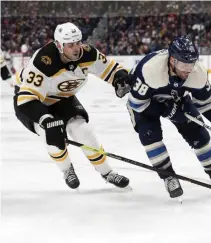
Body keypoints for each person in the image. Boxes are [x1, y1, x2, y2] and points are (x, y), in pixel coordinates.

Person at [14, 22, 133, 189]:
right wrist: (46, 120)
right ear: (59, 45)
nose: (76, 48)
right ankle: (67, 169)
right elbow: (27, 100)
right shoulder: (44, 61)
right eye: (70, 45)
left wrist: (119, 78)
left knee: (84, 131)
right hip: (33, 101)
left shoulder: (87, 53)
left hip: (62, 98)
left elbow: (110, 69)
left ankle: (107, 173)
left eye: (78, 43)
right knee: (51, 136)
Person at [126, 36, 211, 198]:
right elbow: (137, 104)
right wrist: (167, 110)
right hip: (146, 103)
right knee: (150, 135)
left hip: (176, 97)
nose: (188, 69)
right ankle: (168, 177)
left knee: (199, 133)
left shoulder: (197, 73)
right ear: (172, 60)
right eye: (184, 64)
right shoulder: (150, 70)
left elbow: (207, 102)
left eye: (191, 63)